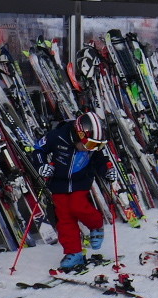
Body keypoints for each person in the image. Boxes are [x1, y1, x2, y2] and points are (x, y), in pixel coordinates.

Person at [35, 112, 111, 271]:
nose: (92, 149)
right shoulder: (57, 136)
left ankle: (96, 226)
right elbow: (38, 149)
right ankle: (73, 252)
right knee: (64, 218)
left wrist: (107, 171)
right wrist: (42, 166)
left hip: (80, 181)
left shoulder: (92, 146)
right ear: (78, 135)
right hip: (58, 184)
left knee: (78, 206)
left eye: (97, 145)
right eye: (89, 145)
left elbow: (100, 159)